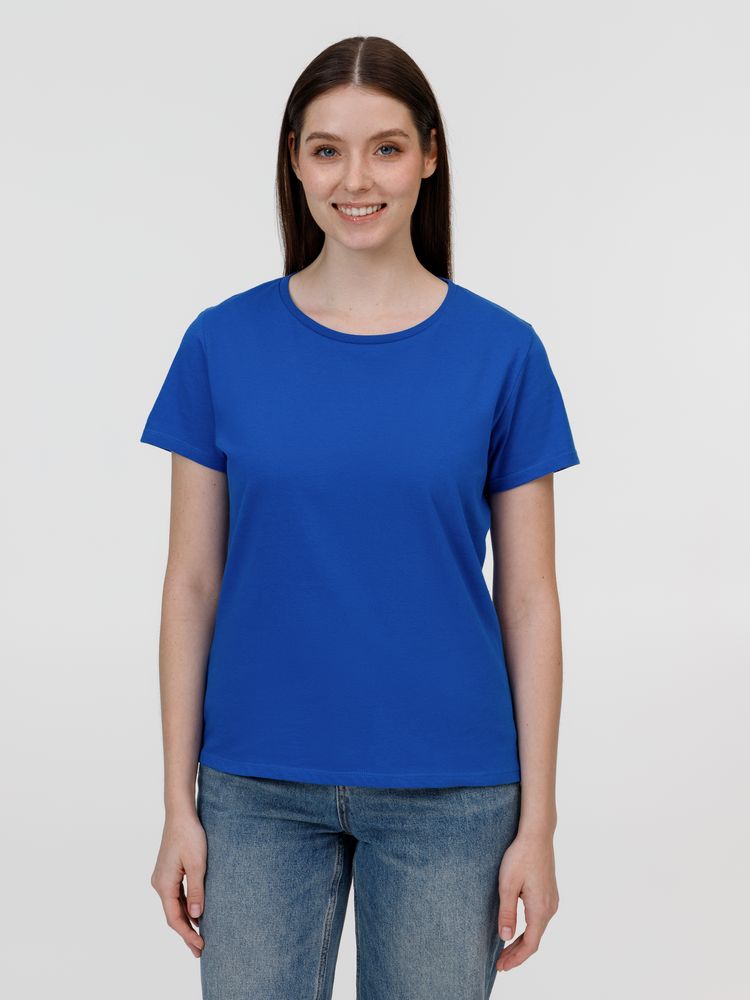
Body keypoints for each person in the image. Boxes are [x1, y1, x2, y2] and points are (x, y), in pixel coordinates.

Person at [141, 35, 581, 1000]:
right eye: (327, 150)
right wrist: (177, 802)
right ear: (295, 163)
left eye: (385, 148)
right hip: (254, 790)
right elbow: (191, 584)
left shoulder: (503, 353)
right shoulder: (221, 344)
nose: (356, 179)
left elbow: (531, 599)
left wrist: (539, 823)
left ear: (429, 156)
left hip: (452, 794)